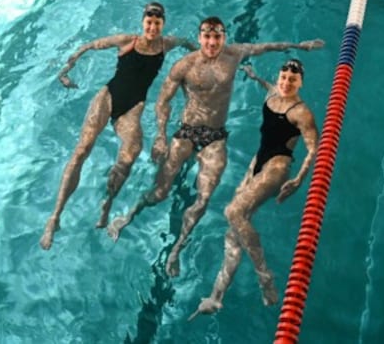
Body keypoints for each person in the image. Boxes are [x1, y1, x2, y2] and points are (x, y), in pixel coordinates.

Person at [107, 16, 323, 277]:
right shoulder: (184, 65)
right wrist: (161, 136)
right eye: (207, 37)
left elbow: (267, 46)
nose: (212, 42)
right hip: (186, 133)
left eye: (217, 36)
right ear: (200, 38)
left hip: (216, 137)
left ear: (224, 36)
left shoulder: (234, 54)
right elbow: (162, 101)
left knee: (203, 199)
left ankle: (176, 249)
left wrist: (300, 46)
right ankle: (129, 215)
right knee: (160, 192)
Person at [40, 2, 194, 250]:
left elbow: (188, 43)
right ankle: (54, 217)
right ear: (143, 22)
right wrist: (65, 72)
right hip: (108, 98)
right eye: (149, 22)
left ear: (163, 24)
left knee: (130, 154)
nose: (153, 27)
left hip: (132, 109)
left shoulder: (167, 44)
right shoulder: (127, 41)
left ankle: (107, 204)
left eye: (157, 23)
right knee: (82, 150)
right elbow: (89, 46)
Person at [188, 59, 318, 319]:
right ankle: (217, 297)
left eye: (292, 80)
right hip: (257, 162)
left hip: (278, 166)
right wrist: (252, 74)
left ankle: (265, 276)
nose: (286, 83)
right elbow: (267, 84)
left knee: (233, 213)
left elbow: (314, 147)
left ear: (300, 83)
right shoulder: (273, 93)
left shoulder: (301, 112)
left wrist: (300, 179)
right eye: (283, 78)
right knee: (233, 235)